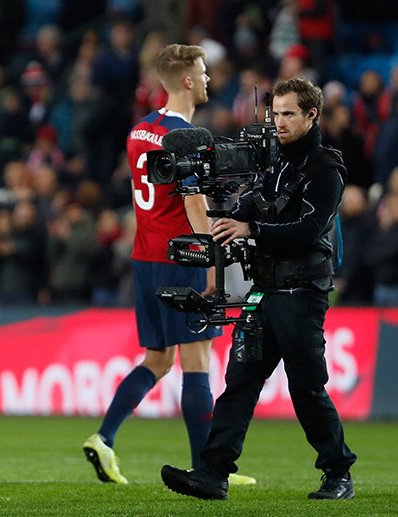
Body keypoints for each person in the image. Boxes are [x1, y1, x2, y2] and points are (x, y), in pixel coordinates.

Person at [161, 76, 357, 500]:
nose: (280, 122)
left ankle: (338, 472)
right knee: (240, 382)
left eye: (289, 114)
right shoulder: (270, 163)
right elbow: (251, 203)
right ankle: (213, 473)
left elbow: (306, 231)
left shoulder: (326, 169)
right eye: (276, 113)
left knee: (306, 387)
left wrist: (250, 227)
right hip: (263, 289)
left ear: (312, 115)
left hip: (301, 291)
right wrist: (227, 211)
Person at [81, 44, 255, 486]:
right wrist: (214, 263)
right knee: (197, 361)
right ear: (188, 81)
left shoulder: (140, 130)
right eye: (203, 71)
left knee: (157, 359)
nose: (210, 78)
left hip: (145, 255)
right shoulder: (187, 137)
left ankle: (104, 437)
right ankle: (208, 469)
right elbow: (194, 203)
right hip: (182, 256)